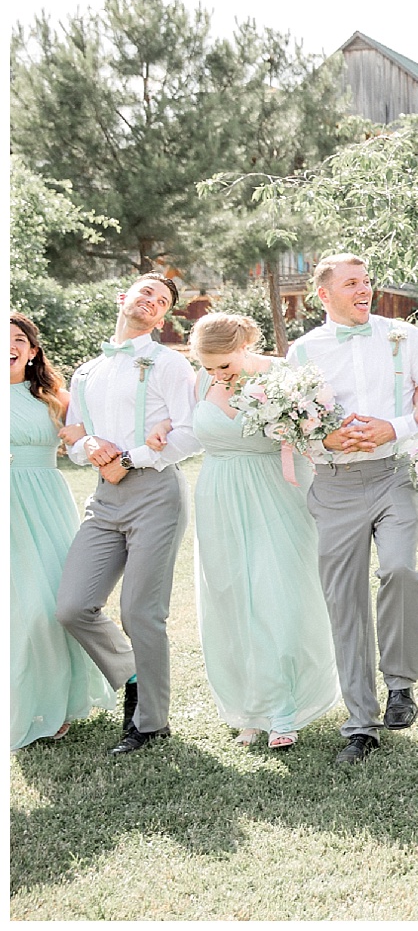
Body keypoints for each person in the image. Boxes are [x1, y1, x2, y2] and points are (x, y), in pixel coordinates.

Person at [287, 254, 418, 763]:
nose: (364, 290)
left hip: (393, 476)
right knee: (345, 603)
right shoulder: (302, 352)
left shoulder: (403, 337)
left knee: (401, 570)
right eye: (352, 284)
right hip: (334, 483)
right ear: (325, 294)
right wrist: (325, 436)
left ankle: (401, 684)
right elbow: (286, 423)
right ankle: (360, 724)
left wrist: (396, 427)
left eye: (367, 282)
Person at [56, 274, 199, 755]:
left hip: (155, 494)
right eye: (146, 292)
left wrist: (131, 458)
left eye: (161, 301)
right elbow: (75, 436)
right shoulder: (86, 372)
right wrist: (92, 447)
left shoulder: (169, 364)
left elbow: (190, 434)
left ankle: (150, 723)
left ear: (163, 317)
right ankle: (131, 673)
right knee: (73, 606)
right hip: (104, 500)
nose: (152, 302)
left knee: (141, 611)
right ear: (124, 298)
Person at [188, 313, 339, 750]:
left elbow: (313, 434)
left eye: (223, 365)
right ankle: (249, 709)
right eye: (209, 366)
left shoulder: (282, 377)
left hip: (276, 494)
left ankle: (284, 707)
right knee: (231, 599)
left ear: (244, 347)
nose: (217, 374)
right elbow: (190, 434)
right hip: (218, 496)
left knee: (280, 598)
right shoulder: (201, 381)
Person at [11, 315, 114, 750]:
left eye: (19, 340)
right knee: (16, 611)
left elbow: (86, 440)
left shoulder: (54, 397)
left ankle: (56, 702)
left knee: (48, 606)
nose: (9, 346)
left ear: (33, 351)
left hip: (45, 505)